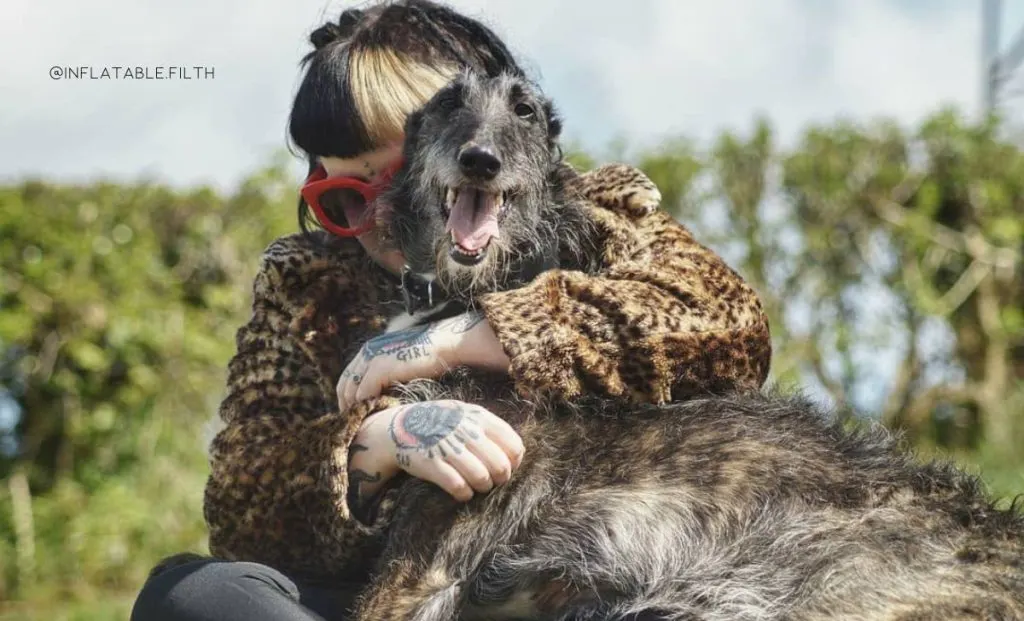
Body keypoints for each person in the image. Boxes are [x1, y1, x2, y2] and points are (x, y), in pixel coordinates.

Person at [131, 2, 772, 620]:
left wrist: (463, 340)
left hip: (577, 573)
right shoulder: (307, 286)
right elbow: (243, 505)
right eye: (347, 199)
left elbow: (728, 325)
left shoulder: (597, 216)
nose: (381, 219)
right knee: (194, 597)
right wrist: (378, 443)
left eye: (406, 174)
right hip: (388, 588)